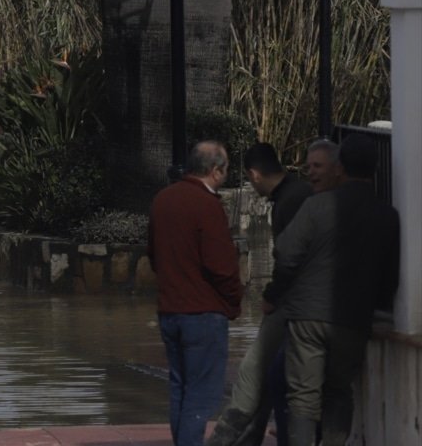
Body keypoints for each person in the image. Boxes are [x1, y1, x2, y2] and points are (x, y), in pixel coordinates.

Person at [267, 134, 401, 446]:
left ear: (339, 167)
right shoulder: (387, 216)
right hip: (353, 318)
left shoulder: (317, 206)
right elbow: (390, 279)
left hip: (308, 317)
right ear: (377, 169)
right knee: (339, 392)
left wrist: (281, 290)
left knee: (303, 396)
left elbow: (286, 253)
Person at [205, 143, 313, 446]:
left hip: (291, 301)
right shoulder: (299, 194)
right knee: (268, 374)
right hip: (304, 302)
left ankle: (225, 438)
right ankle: (249, 436)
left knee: (253, 370)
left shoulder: (289, 201)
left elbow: (289, 258)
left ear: (254, 175)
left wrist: (271, 295)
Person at [150, 140, 244, 446]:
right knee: (201, 397)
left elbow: (153, 254)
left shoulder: (162, 200)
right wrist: (233, 301)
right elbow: (222, 265)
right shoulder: (207, 206)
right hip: (203, 314)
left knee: (180, 389)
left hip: (170, 310)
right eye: (226, 169)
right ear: (215, 171)